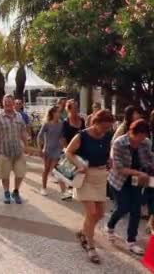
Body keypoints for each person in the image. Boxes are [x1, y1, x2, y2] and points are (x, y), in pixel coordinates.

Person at [65, 110, 114, 264]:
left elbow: (107, 152)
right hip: (84, 177)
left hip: (100, 177)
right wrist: (79, 164)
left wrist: (110, 160)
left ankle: (84, 232)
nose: (106, 130)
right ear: (95, 123)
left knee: (99, 214)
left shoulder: (107, 135)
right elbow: (68, 152)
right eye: (104, 127)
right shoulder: (82, 135)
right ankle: (91, 247)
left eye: (108, 128)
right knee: (91, 212)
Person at [105, 119, 154, 256]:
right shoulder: (119, 143)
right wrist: (138, 172)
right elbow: (118, 167)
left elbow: (150, 160)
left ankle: (131, 241)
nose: (141, 141)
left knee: (136, 210)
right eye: (139, 137)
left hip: (137, 180)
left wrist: (148, 170)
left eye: (144, 137)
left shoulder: (146, 143)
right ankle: (110, 225)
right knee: (123, 207)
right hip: (119, 180)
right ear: (132, 133)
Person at [0, 94, 28, 204]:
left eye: (9, 101)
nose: (7, 103)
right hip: (4, 150)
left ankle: (16, 191)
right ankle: (6, 193)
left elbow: (23, 130)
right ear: (2, 103)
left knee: (20, 173)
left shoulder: (19, 116)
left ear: (13, 103)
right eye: (5, 101)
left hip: (18, 150)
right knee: (5, 174)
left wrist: (26, 144)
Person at [37, 106, 70, 199]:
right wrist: (40, 149)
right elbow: (39, 136)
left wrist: (66, 148)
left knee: (57, 170)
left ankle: (64, 192)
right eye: (57, 112)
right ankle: (43, 188)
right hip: (47, 149)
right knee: (46, 170)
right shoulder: (47, 124)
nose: (59, 114)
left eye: (60, 112)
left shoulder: (61, 124)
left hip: (58, 149)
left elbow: (62, 137)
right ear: (52, 113)